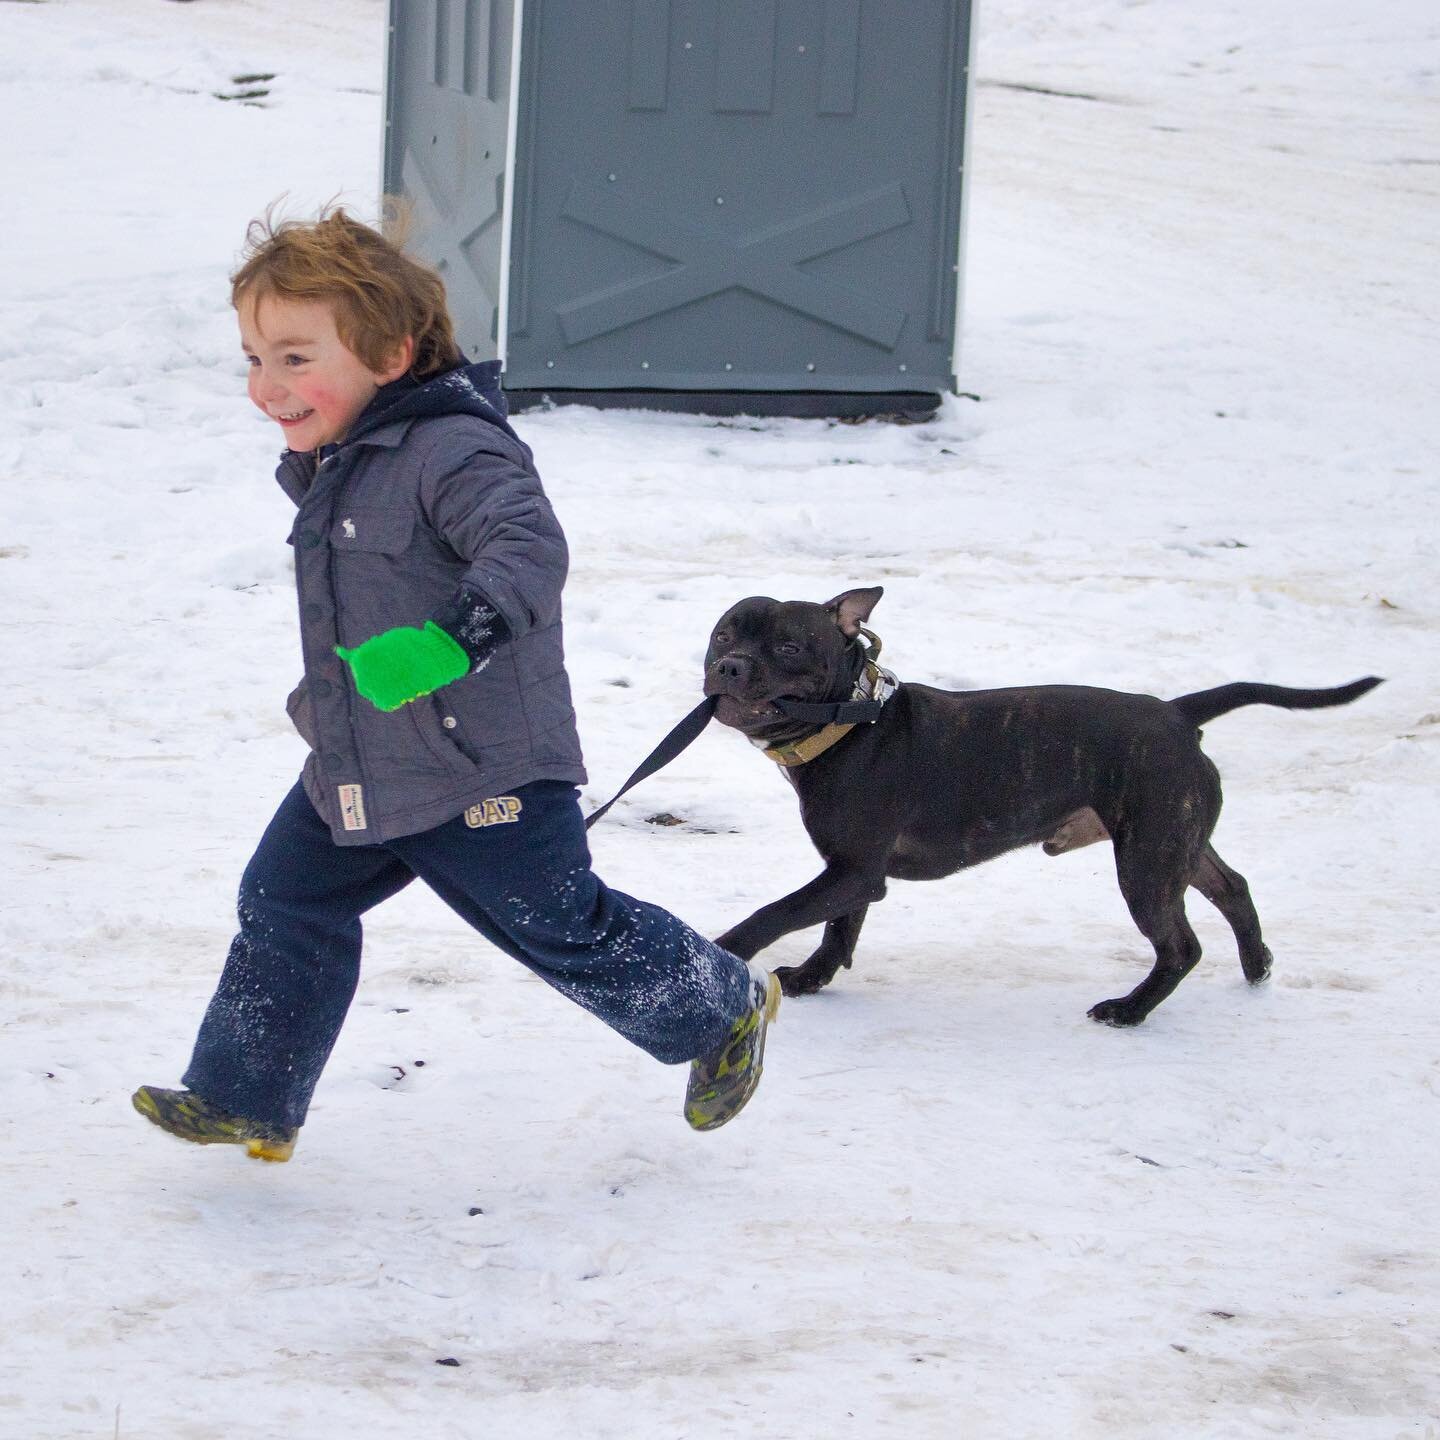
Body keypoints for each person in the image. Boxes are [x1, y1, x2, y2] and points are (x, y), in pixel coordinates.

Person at [132, 207, 779, 1163]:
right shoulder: (340, 456)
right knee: (285, 901)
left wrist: (447, 642)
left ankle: (718, 1006)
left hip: (485, 767)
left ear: (391, 355)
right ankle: (246, 1096)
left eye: (296, 358)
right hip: (364, 758)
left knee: (559, 924)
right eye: (254, 358)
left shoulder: (456, 449)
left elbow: (527, 548)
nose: (267, 387)